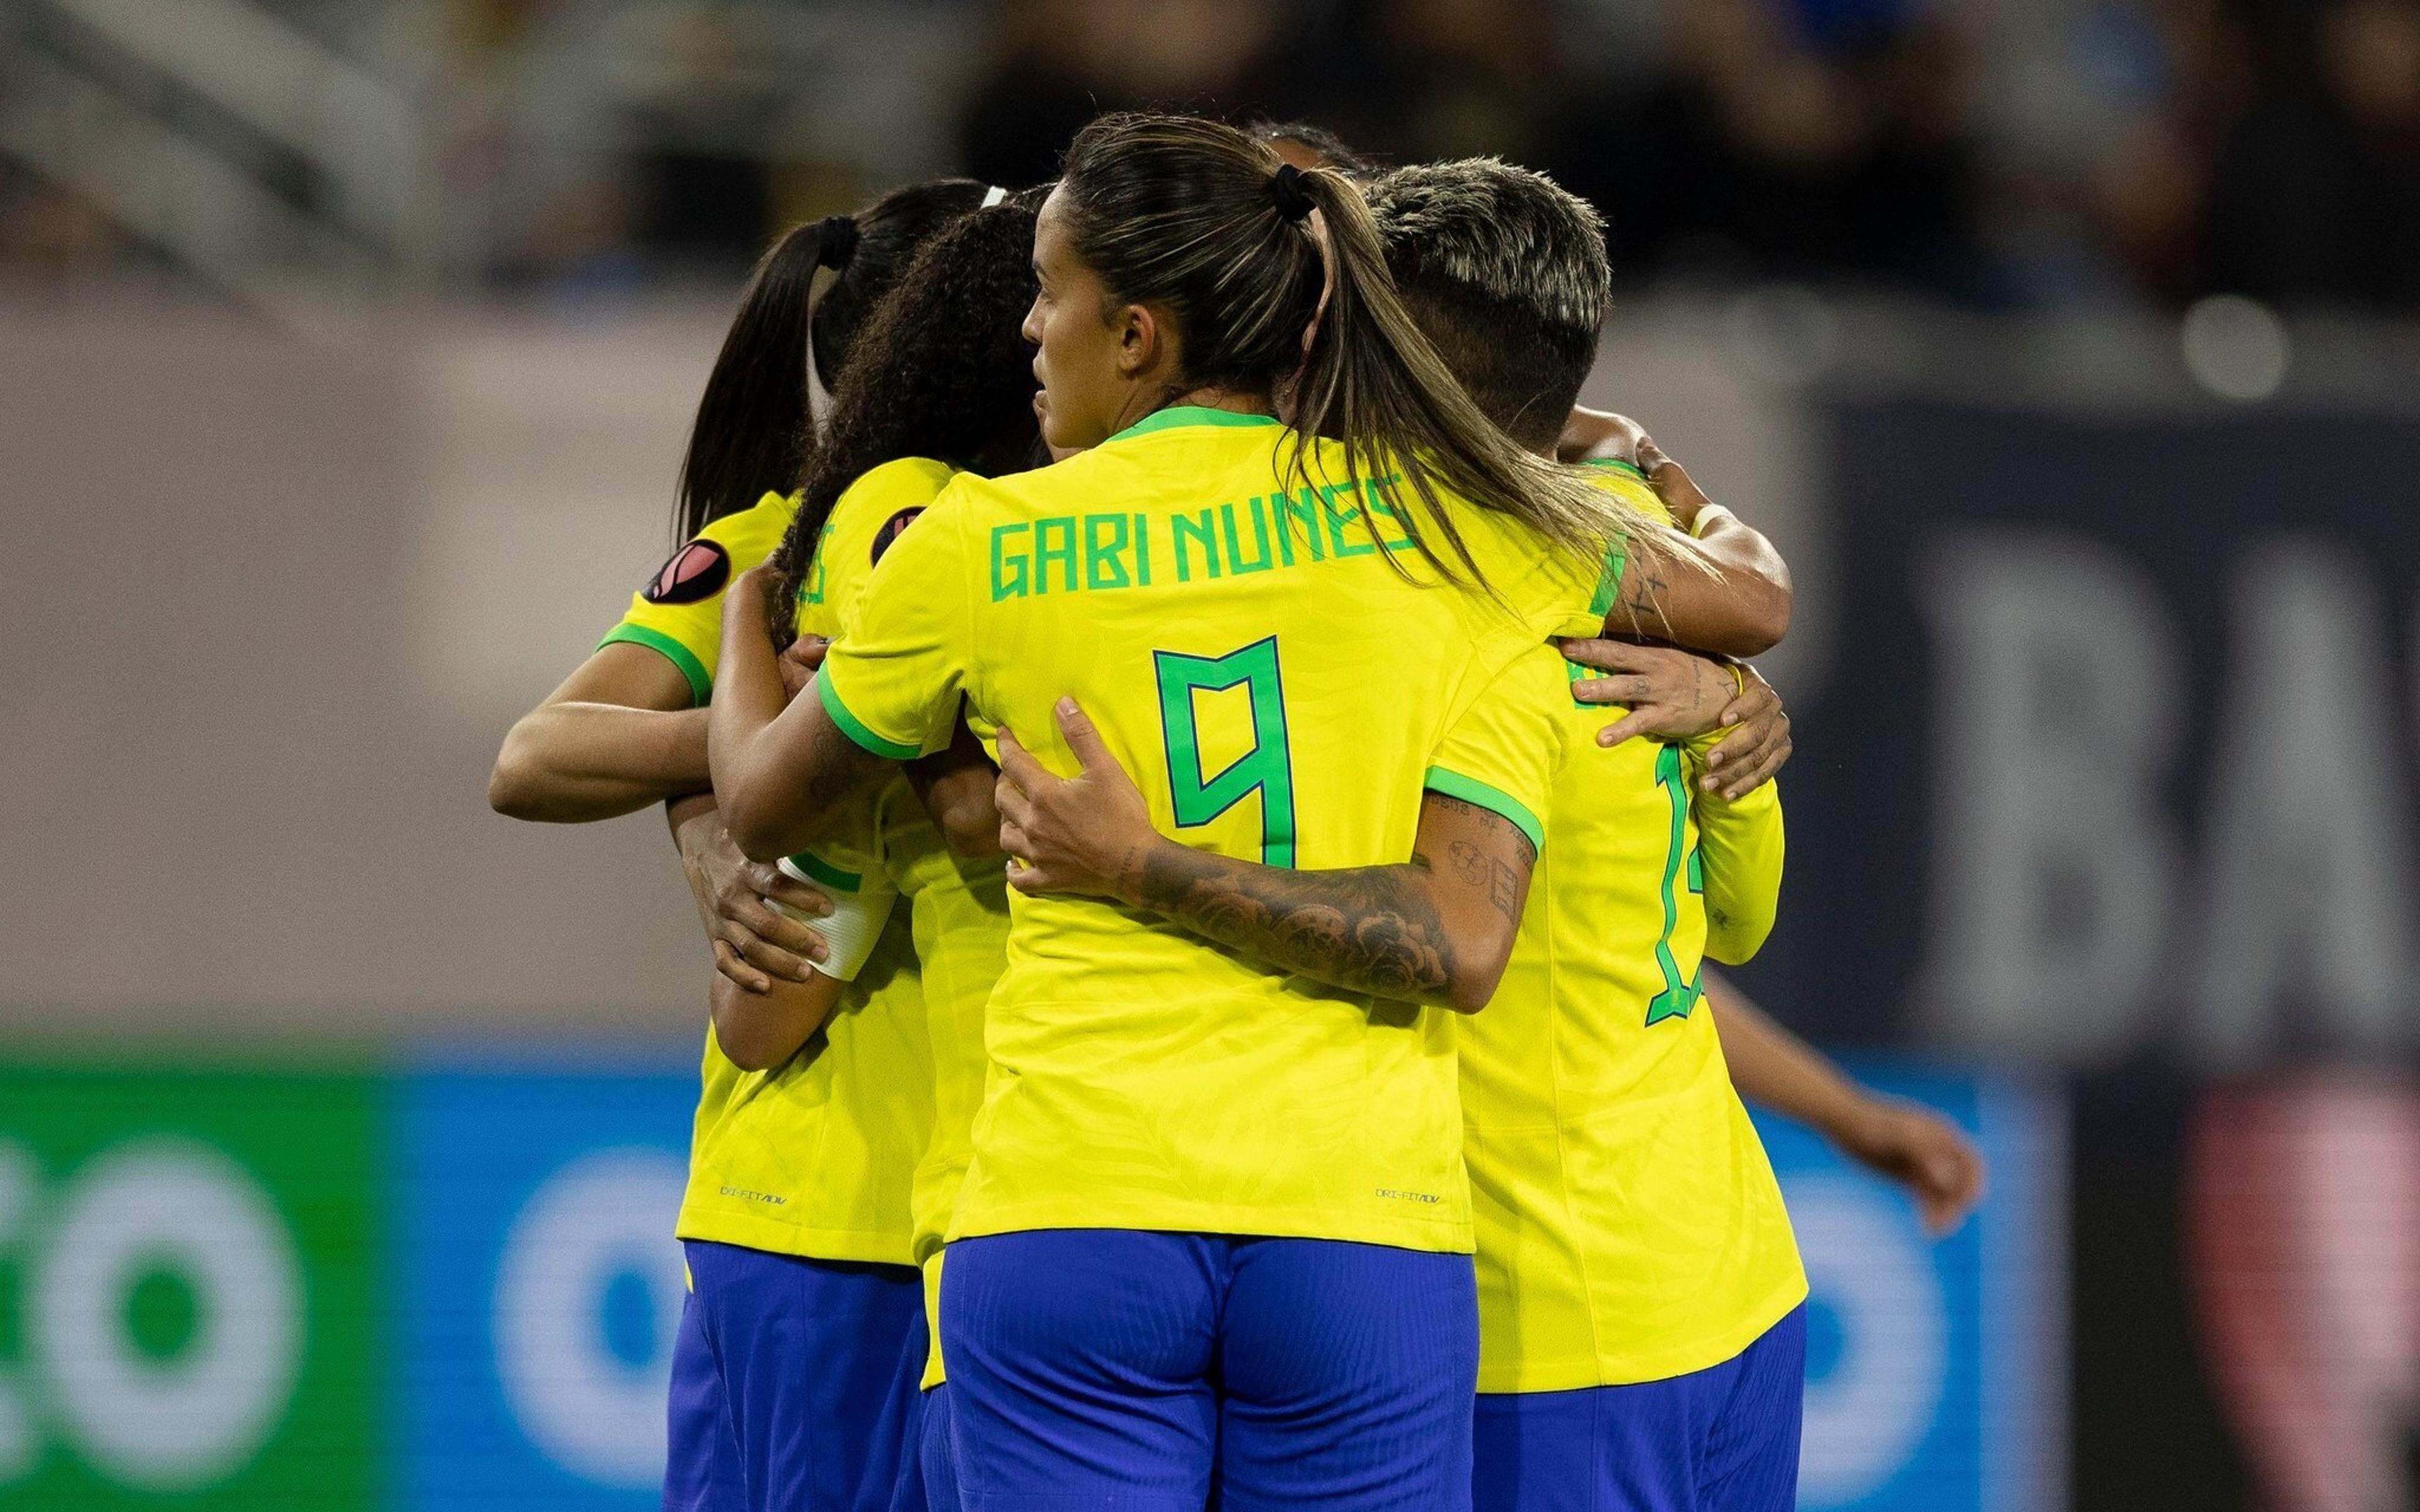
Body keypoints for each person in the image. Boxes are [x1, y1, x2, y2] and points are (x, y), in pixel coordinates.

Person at [706, 113, 1694, 1511]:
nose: (1028, 333)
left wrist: (749, 620)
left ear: (1138, 336)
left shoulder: (974, 545)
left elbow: (759, 802)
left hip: (1072, 1210)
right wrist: (1721, 691)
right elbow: (1472, 932)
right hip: (1361, 1234)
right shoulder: (1456, 526)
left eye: (1051, 296)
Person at [989, 155, 1965, 1512]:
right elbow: (1724, 920)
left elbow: (1458, 934)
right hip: (1730, 1283)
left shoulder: (1411, 577)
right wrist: (1730, 677)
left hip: (1540, 1324)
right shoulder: (1619, 566)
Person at [485, 178, 1010, 1512]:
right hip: (834, 1219)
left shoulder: (1039, 550)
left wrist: (763, 749)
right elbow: (535, 755)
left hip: (994, 1213)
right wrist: (760, 748)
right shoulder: (772, 556)